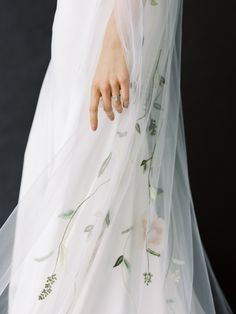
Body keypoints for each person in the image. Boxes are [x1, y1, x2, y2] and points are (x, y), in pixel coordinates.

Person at [0, 0, 233, 313]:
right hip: (83, 20)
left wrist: (117, 35)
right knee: (73, 173)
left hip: (117, 17)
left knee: (101, 186)